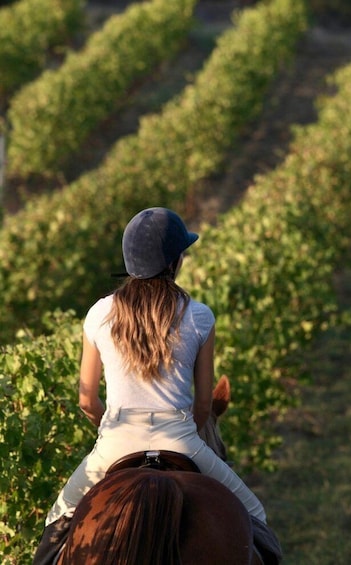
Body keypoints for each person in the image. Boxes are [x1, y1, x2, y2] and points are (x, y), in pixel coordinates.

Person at [33, 207, 281, 564]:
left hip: (116, 443)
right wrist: (184, 433)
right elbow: (201, 407)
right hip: (181, 440)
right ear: (175, 262)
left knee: (55, 528)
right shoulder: (199, 315)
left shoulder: (99, 313)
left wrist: (109, 430)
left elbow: (87, 399)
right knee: (256, 517)